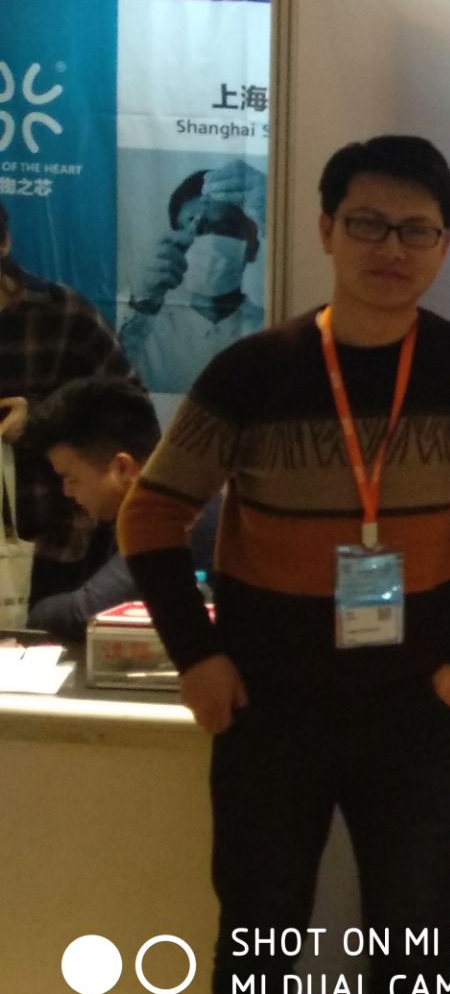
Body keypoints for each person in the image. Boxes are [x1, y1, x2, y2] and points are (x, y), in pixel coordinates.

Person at [119, 136, 450, 994]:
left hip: (413, 709)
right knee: (259, 940)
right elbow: (148, 515)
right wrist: (198, 656)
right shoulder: (253, 371)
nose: (391, 248)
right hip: (268, 708)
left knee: (415, 946)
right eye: (368, 224)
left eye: (416, 230)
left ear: (443, 244)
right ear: (324, 229)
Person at [0, 199, 140, 603]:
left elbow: (132, 414)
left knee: (51, 633)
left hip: (52, 541)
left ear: (4, 243)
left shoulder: (64, 315)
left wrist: (37, 418)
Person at [21, 376, 217, 640]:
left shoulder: (173, 511)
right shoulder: (180, 491)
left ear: (122, 468)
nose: (67, 491)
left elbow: (80, 614)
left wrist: (35, 613)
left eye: (70, 477)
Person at [121, 159, 268, 393]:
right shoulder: (144, 328)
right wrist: (142, 304)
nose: (207, 240)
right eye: (194, 226)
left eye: (223, 228)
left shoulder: (270, 326)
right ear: (174, 242)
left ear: (252, 246)